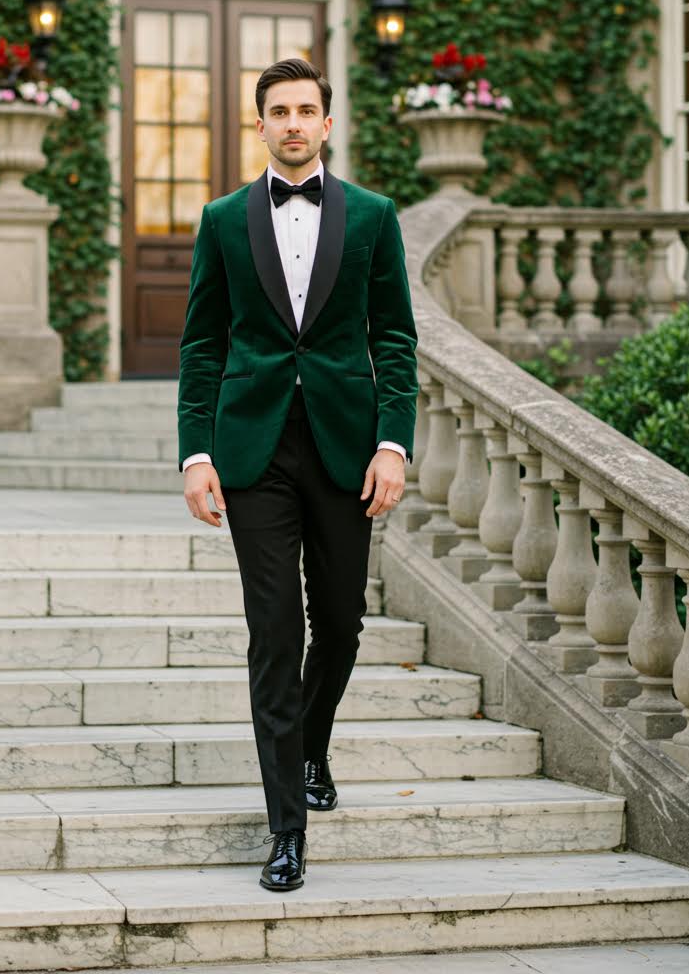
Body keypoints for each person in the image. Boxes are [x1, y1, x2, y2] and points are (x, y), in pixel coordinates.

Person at [177, 57, 417, 892]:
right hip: (254, 453)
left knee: (342, 624)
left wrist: (394, 442)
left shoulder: (374, 217)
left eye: (304, 110)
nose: (291, 123)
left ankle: (311, 745)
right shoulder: (221, 219)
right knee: (276, 635)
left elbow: (394, 337)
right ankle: (287, 832)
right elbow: (204, 342)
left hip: (346, 451)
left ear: (326, 122)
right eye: (276, 111)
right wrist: (196, 453)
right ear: (260, 124)